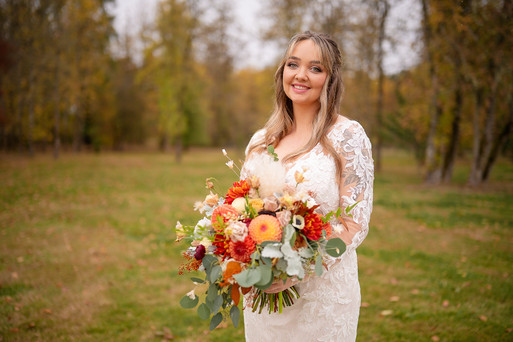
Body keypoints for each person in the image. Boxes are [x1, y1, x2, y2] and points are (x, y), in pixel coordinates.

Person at [240, 31, 374, 341]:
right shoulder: (261, 140)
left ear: (331, 78)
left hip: (322, 300)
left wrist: (296, 268)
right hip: (264, 304)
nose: (301, 75)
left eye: (315, 68)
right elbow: (243, 211)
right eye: (293, 64)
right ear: (282, 71)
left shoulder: (347, 136)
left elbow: (355, 225)